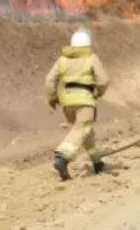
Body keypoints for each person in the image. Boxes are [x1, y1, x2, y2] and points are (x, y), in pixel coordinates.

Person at [44, 27, 111, 181]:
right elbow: (104, 80)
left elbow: (49, 81)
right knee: (83, 127)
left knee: (85, 131)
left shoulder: (62, 59)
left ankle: (98, 163)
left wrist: (53, 97)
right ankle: (62, 156)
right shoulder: (91, 58)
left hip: (67, 101)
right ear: (87, 44)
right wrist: (98, 92)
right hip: (85, 98)